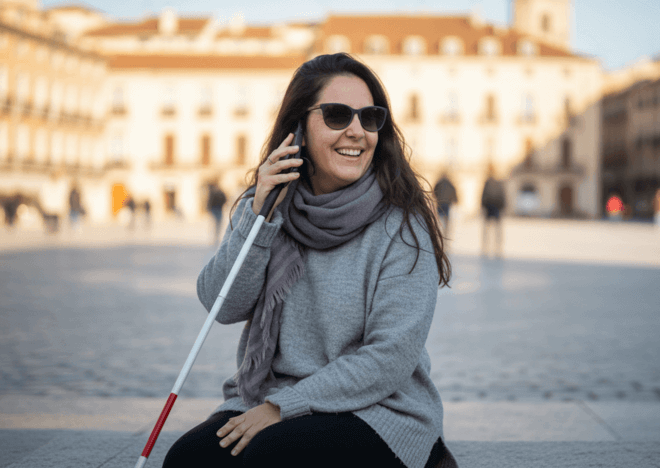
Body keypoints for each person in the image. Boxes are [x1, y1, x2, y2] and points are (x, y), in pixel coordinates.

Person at [163, 53, 457, 468]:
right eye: (337, 115)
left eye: (370, 117)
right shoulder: (268, 208)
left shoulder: (402, 225)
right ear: (299, 128)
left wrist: (282, 407)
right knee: (188, 460)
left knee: (271, 456)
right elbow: (221, 304)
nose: (356, 131)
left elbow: (389, 357)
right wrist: (259, 215)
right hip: (272, 396)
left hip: (379, 407)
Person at [480, 164, 505, 257]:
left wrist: (483, 205)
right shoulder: (495, 183)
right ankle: (490, 248)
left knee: (493, 230)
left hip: (493, 207)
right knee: (491, 230)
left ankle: (494, 248)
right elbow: (502, 195)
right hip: (492, 207)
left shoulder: (493, 183)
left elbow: (484, 195)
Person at [433, 171, 458, 238]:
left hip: (440, 203)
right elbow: (453, 192)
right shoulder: (449, 183)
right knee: (446, 218)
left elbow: (434, 192)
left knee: (440, 218)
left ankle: (439, 231)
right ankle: (445, 232)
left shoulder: (439, 183)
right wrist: (455, 200)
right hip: (447, 203)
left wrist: (436, 197)